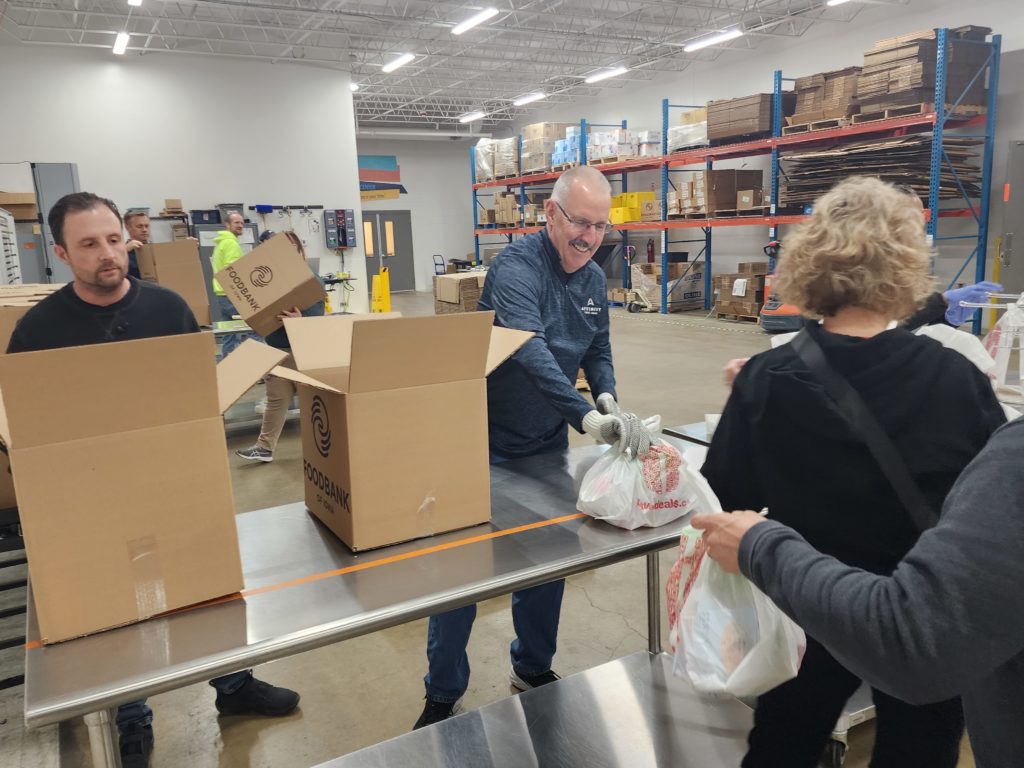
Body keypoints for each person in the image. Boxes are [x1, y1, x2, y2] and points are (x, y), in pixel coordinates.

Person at [697, 176, 1006, 768]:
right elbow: (984, 503)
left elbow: (725, 501)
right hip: (918, 618)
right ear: (906, 266)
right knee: (920, 749)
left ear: (808, 262)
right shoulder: (957, 379)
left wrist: (756, 407)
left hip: (805, 610)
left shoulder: (765, 379)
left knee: (783, 743)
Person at [7, 193, 301, 768]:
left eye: (114, 240)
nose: (107, 254)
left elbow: (197, 395)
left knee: (207, 592)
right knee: (124, 612)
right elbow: (30, 426)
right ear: (62, 252)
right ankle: (133, 717)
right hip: (97, 501)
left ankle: (234, 686)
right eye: (89, 245)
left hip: (179, 484)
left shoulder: (167, 311)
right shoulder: (38, 332)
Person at [413, 165, 652, 729]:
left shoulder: (593, 277)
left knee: (549, 563)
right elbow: (533, 352)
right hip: (482, 442)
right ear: (550, 213)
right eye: (579, 223)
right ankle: (442, 692)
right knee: (462, 575)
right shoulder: (515, 269)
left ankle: (532, 666)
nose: (589, 237)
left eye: (600, 226)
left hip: (545, 446)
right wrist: (586, 417)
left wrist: (609, 396)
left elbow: (597, 347)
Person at [693, 415, 1024, 768]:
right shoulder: (963, 378)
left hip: (820, 618)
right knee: (918, 746)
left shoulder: (1015, 460)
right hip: (931, 629)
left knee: (787, 737)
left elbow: (722, 489)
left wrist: (758, 547)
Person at [235, 232, 325, 462]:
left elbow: (319, 321)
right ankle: (264, 448)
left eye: (290, 247)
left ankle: (326, 451)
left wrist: (300, 319)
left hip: (301, 352)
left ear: (298, 250)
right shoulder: (269, 280)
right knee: (276, 400)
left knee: (313, 404)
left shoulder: (309, 280)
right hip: (276, 350)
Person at [211, 210, 248, 357]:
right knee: (254, 327)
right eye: (236, 223)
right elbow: (231, 270)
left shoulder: (221, 243)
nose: (240, 225)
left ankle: (228, 364)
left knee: (230, 332)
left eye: (242, 223)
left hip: (222, 293)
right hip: (231, 294)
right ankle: (259, 367)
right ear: (227, 225)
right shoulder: (231, 243)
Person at [123, 209, 150, 279]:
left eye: (146, 226)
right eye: (139, 226)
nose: (144, 230)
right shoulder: (124, 255)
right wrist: (123, 252)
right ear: (127, 227)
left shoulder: (155, 251)